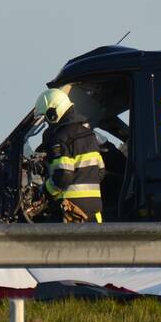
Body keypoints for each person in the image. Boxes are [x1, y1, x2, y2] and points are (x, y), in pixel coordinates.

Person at [34, 88, 105, 223]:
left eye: (46, 118)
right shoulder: (90, 135)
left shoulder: (60, 138)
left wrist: (44, 190)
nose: (47, 124)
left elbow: (64, 174)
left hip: (70, 211)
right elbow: (100, 171)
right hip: (94, 211)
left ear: (53, 114)